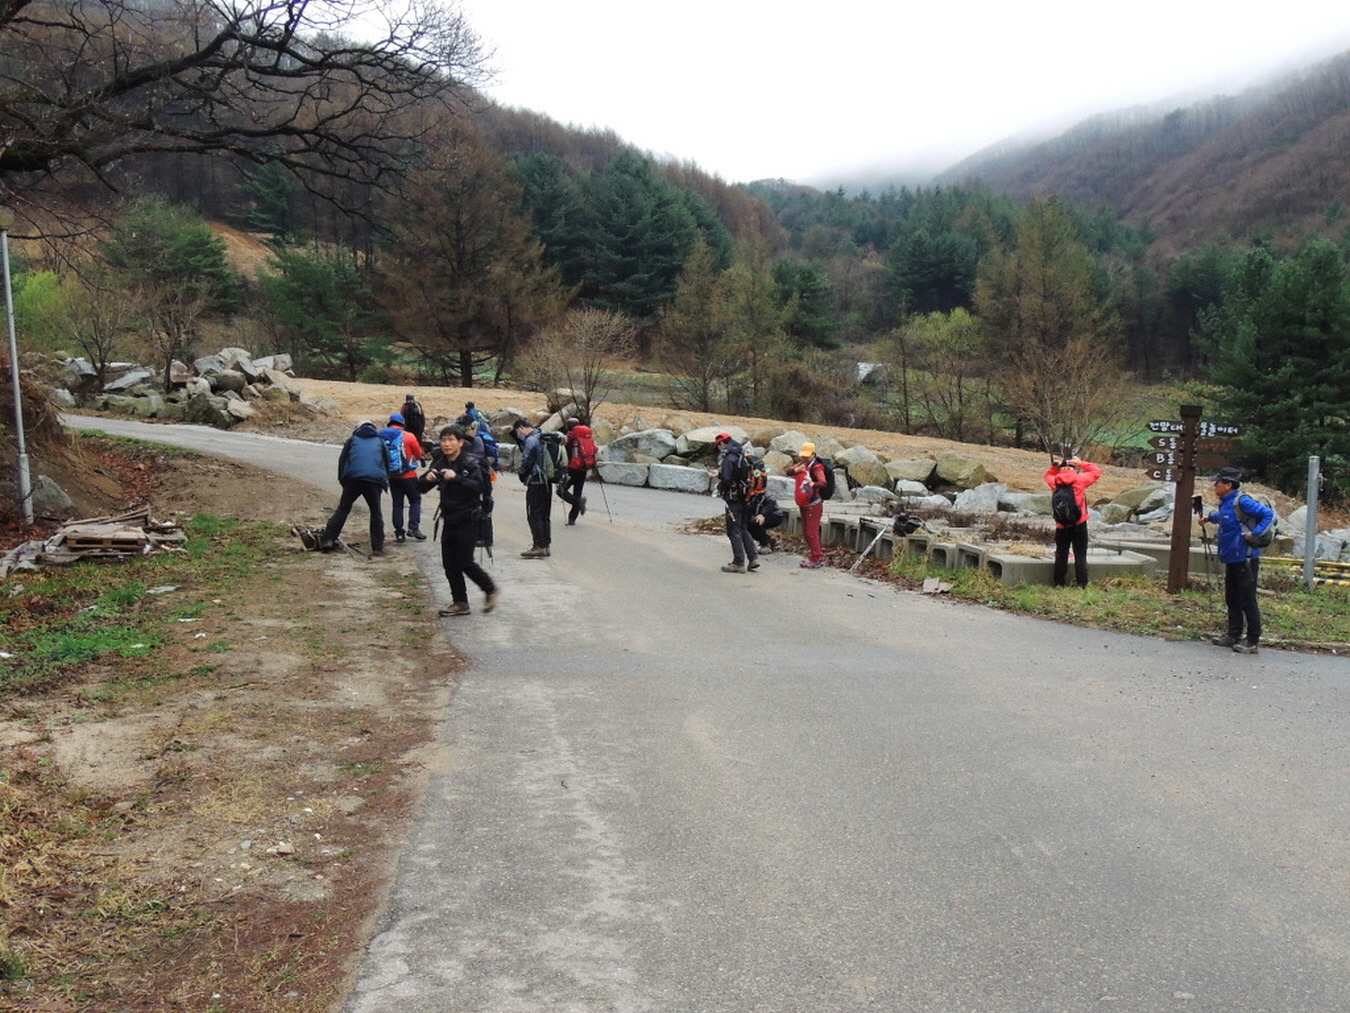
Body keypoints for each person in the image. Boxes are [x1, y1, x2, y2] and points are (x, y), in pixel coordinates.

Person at [421, 425, 499, 616]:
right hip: (449, 518)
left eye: (451, 440)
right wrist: (427, 479)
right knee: (449, 564)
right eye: (443, 440)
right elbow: (420, 488)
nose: (446, 444)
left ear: (460, 443)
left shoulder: (470, 462)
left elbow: (478, 487)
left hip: (469, 518)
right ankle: (460, 602)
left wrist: (456, 477)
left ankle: (490, 589)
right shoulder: (441, 461)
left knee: (464, 561)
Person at [1205, 465, 1274, 655]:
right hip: (1233, 557)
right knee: (1232, 597)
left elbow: (1268, 515)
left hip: (1246, 558)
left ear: (1227, 484)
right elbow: (1228, 518)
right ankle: (1233, 634)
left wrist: (1255, 533)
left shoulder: (1242, 501)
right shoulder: (1227, 503)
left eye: (1217, 482)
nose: (1214, 485)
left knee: (1247, 599)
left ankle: (1252, 640)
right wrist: (1210, 518)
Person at [319, 420, 388, 556]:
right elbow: (386, 463)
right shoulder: (380, 441)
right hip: (374, 481)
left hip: (353, 479)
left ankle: (328, 539)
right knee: (376, 512)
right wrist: (384, 483)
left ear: (358, 428)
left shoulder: (352, 440)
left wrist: (343, 481)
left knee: (343, 509)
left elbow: (342, 461)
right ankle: (377, 547)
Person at [1043, 454, 1102, 588]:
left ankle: (1059, 583)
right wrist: (1081, 463)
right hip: (1079, 523)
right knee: (1080, 554)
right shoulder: (1080, 479)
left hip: (1061, 525)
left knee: (1061, 554)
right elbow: (1096, 472)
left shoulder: (1055, 481)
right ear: (1074, 468)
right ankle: (1082, 584)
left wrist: (1055, 468)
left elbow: (1047, 476)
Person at [713, 432, 758, 573]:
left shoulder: (728, 458)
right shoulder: (742, 455)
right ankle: (753, 558)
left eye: (718, 445)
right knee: (743, 528)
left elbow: (727, 479)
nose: (718, 448)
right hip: (746, 497)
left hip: (733, 499)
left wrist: (719, 481)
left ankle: (739, 562)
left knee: (733, 530)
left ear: (722, 444)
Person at [380, 412, 425, 543]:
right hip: (409, 476)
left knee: (397, 505)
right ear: (402, 423)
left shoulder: (381, 436)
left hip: (393, 477)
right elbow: (418, 454)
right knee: (415, 501)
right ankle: (414, 528)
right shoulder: (408, 436)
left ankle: (399, 533)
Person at [512, 418, 553, 558]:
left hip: (535, 481)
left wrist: (521, 474)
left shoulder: (530, 441)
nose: (518, 435)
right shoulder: (542, 436)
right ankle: (546, 545)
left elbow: (527, 461)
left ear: (521, 428)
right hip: (547, 481)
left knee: (534, 513)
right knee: (544, 514)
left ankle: (538, 546)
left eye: (518, 432)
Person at [787, 441, 829, 569]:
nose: (804, 458)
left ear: (813, 454)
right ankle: (814, 555)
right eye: (803, 456)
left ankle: (816, 557)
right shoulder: (802, 464)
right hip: (804, 502)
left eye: (807, 456)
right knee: (806, 531)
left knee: (811, 532)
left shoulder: (817, 467)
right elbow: (788, 472)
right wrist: (796, 470)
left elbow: (823, 482)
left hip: (813, 503)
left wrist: (812, 483)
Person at [558, 417, 597, 526]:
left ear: (568, 426)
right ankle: (572, 519)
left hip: (572, 468)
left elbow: (562, 444)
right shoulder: (586, 436)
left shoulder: (571, 435)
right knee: (577, 492)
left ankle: (579, 503)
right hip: (584, 468)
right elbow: (595, 449)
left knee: (561, 490)